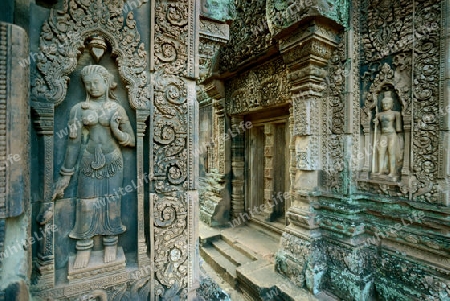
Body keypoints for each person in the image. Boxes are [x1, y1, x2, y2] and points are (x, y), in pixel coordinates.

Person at [53, 65, 135, 269]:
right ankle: (83, 247)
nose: (92, 88)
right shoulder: (78, 110)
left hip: (113, 161)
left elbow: (132, 140)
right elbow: (73, 143)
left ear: (106, 83)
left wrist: (116, 131)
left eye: (96, 83)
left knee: (112, 203)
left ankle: (111, 244)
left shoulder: (117, 109)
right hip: (89, 160)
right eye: (87, 84)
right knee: (86, 204)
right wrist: (66, 173)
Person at [372, 91, 402, 178]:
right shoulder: (379, 114)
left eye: (387, 104)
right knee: (381, 152)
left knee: (391, 152)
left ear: (391, 104)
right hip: (383, 134)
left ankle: (392, 172)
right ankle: (380, 170)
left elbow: (398, 128)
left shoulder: (396, 113)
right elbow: (376, 125)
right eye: (383, 104)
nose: (385, 105)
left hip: (391, 134)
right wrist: (375, 122)